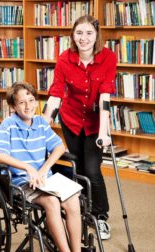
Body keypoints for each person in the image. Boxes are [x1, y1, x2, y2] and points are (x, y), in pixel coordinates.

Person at [0, 81, 90, 252]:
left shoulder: (41, 123)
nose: (28, 106)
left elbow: (59, 147)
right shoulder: (8, 125)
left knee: (73, 199)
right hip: (20, 181)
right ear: (13, 106)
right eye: (21, 103)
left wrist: (44, 168)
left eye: (31, 100)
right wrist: (28, 168)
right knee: (52, 202)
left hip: (45, 178)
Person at [43, 15, 117, 240]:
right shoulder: (65, 59)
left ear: (97, 35)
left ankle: (100, 216)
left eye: (88, 33)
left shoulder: (108, 58)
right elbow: (56, 93)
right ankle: (82, 210)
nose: (83, 38)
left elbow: (105, 96)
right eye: (79, 33)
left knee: (93, 169)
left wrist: (104, 132)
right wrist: (44, 124)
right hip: (72, 119)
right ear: (73, 35)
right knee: (77, 168)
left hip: (96, 123)